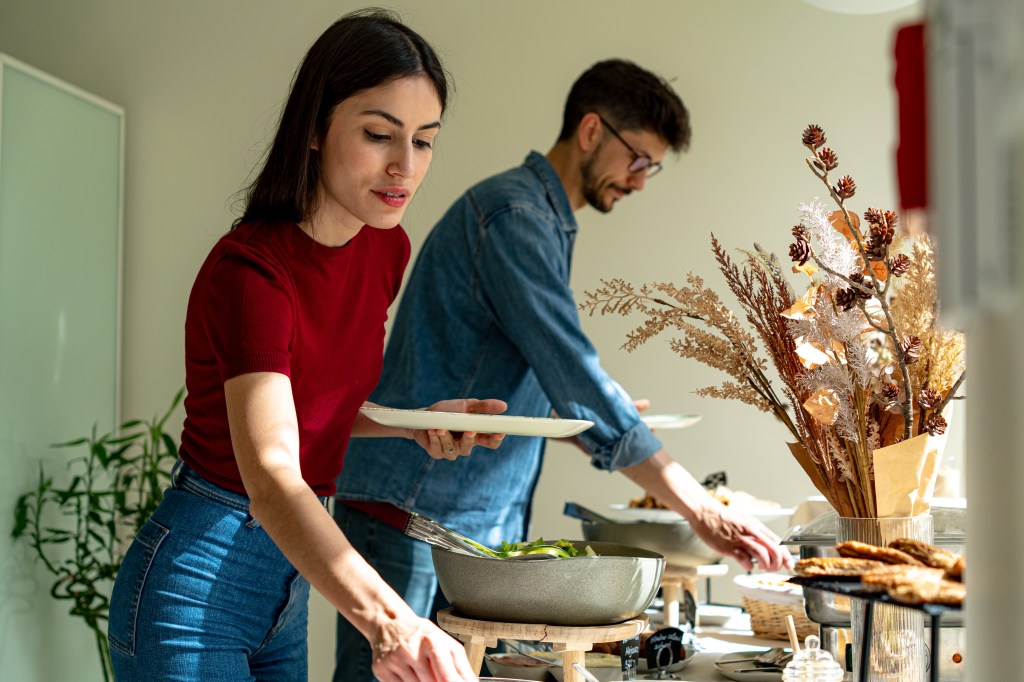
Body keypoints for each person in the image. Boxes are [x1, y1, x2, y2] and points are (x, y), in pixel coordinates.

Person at [333, 58, 793, 680]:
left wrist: (577, 414)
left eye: (650, 168)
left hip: (457, 517)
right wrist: (701, 510)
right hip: (414, 509)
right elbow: (576, 373)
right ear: (592, 131)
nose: (639, 183)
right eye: (638, 161)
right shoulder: (516, 218)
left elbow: (523, 373)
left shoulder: (537, 218)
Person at [106, 9, 506, 682]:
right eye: (379, 134)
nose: (403, 166)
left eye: (425, 141)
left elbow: (307, 407)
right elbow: (269, 475)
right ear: (316, 129)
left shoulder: (385, 248)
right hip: (196, 589)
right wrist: (392, 621)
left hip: (288, 590)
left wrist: (416, 424)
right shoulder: (252, 273)